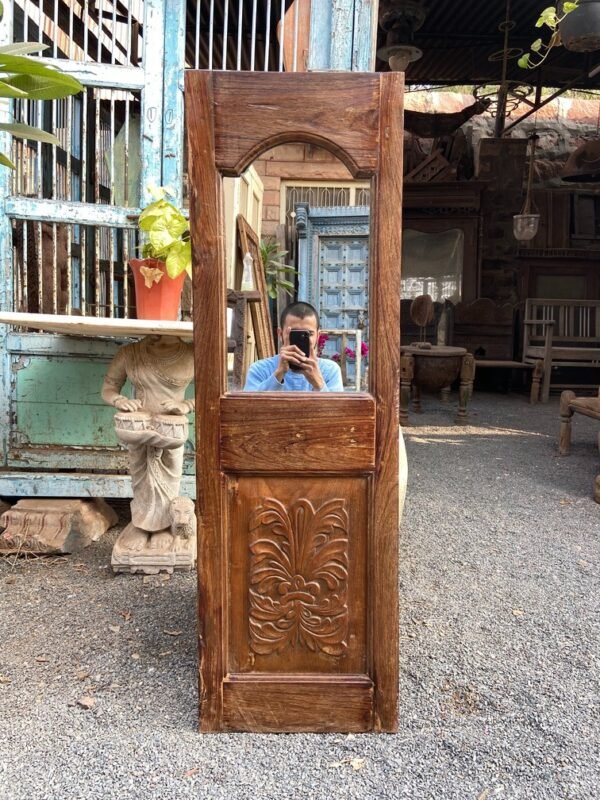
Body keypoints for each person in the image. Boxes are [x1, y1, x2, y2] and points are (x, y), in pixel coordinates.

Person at [244, 301, 344, 392]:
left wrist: (319, 383)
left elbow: (338, 410)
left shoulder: (330, 370)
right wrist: (279, 374)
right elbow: (248, 408)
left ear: (318, 336)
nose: (302, 340)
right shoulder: (260, 369)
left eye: (309, 334)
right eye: (293, 333)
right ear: (280, 334)